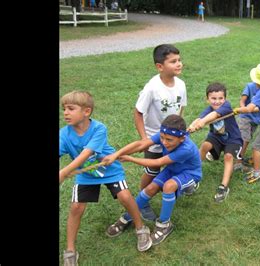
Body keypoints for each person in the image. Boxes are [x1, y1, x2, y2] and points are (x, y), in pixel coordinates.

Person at [59, 91, 152, 265]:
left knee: (125, 196)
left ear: (86, 112)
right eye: (64, 109)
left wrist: (64, 173)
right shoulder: (64, 134)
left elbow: (86, 154)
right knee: (76, 207)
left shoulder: (99, 129)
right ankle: (70, 250)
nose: (65, 113)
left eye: (71, 109)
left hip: (110, 169)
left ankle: (141, 227)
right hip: (86, 175)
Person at [102, 114, 202, 246]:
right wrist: (117, 154)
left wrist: (129, 158)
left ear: (182, 139)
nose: (164, 142)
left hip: (189, 173)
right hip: (172, 169)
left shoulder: (186, 149)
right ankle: (128, 216)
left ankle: (164, 224)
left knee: (168, 186)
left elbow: (157, 162)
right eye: (162, 138)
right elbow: (141, 144)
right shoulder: (166, 135)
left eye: (169, 140)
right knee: (150, 188)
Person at [133, 44, 193, 221]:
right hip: (155, 136)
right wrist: (145, 139)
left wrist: (179, 130)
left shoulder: (181, 84)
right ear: (160, 66)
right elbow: (138, 112)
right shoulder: (151, 87)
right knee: (152, 170)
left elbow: (181, 109)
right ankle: (143, 201)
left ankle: (181, 185)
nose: (179, 64)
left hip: (174, 137)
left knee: (176, 163)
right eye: (173, 61)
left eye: (179, 60)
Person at [188, 82, 243, 203]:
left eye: (220, 98)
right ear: (207, 99)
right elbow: (200, 118)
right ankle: (193, 173)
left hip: (233, 139)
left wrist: (203, 123)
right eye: (213, 98)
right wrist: (193, 125)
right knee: (205, 145)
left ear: (225, 98)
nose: (217, 101)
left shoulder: (226, 106)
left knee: (228, 157)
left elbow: (214, 115)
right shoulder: (208, 109)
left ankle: (223, 187)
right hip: (216, 137)